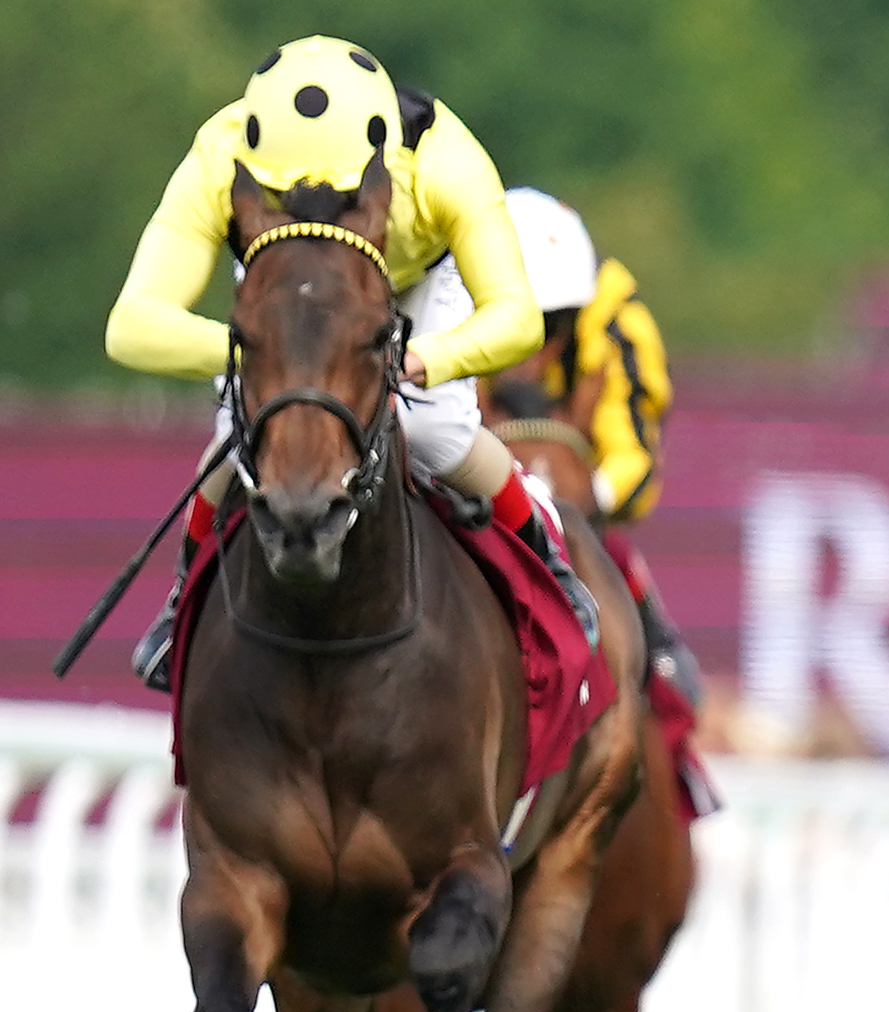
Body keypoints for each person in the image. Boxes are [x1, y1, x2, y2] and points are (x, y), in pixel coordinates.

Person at [107, 37, 594, 690]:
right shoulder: (221, 156)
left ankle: (548, 561)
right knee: (238, 437)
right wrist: (253, 357)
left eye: (337, 198)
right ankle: (180, 605)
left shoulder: (446, 163)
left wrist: (428, 358)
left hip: (413, 277)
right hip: (285, 288)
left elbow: (516, 318)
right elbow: (130, 325)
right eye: (286, 197)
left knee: (433, 430)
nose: (315, 210)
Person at [503, 185, 707, 708]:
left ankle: (664, 699)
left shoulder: (617, 328)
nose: (532, 344)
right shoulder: (438, 301)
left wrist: (581, 492)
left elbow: (633, 455)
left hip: (576, 511)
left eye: (550, 324)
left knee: (664, 690)